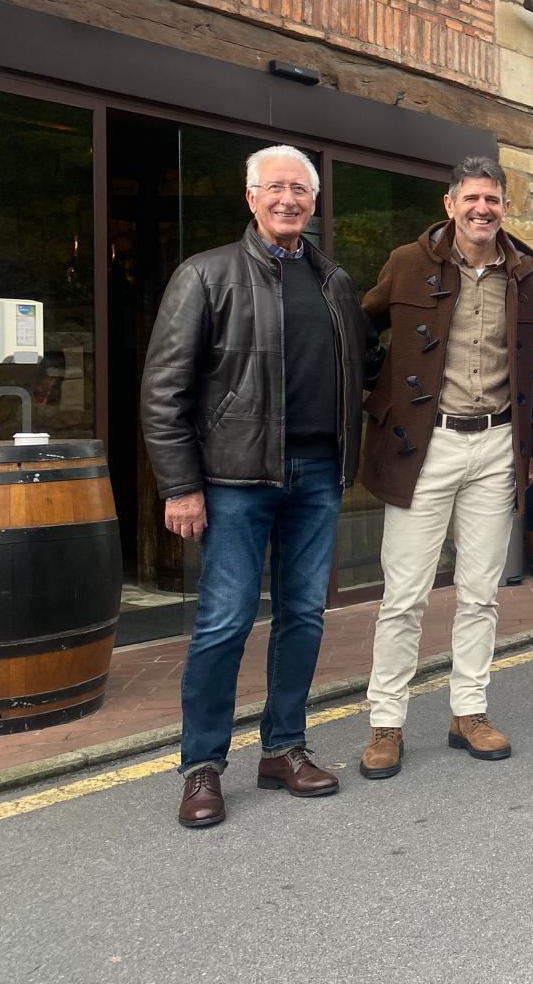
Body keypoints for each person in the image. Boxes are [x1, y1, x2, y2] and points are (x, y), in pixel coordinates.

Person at [141, 144, 370, 829]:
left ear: (314, 201)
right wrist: (180, 485)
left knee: (302, 617)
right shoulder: (204, 276)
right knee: (224, 621)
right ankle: (202, 765)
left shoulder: (334, 282)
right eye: (275, 188)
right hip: (234, 479)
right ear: (250, 197)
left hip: (317, 475)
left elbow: (363, 364)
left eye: (300, 190)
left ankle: (283, 748)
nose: (288, 200)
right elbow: (163, 392)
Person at [357, 155, 533, 780]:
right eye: (471, 199)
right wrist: (374, 398)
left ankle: (469, 712)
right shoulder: (408, 263)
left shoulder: (527, 274)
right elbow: (363, 325)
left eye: (492, 200)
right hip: (425, 445)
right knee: (403, 594)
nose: (482, 210)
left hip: (496, 446)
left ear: (504, 207)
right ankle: (386, 723)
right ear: (450, 204)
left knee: (480, 593)